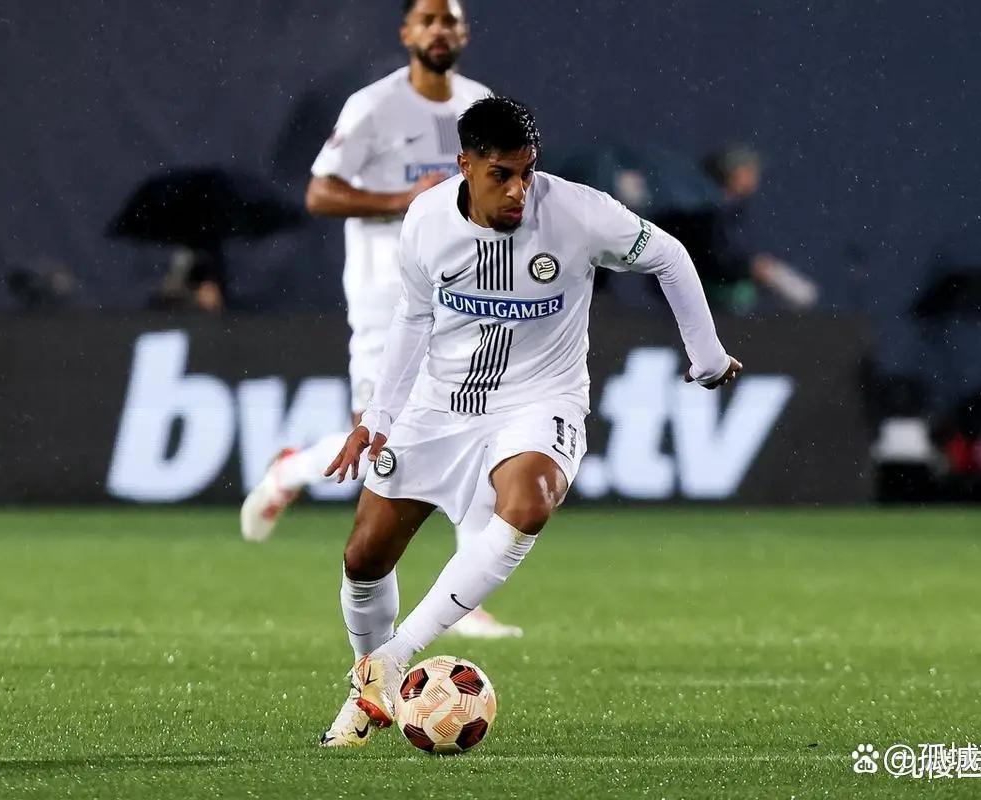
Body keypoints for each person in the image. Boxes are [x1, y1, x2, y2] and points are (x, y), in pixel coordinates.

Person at [317, 96, 742, 746]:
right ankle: (365, 688)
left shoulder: (578, 212)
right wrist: (378, 416)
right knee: (364, 557)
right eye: (502, 175)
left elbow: (669, 255)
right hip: (440, 403)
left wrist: (706, 356)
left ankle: (396, 656)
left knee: (530, 500)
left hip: (541, 401)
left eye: (527, 172)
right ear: (465, 165)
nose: (519, 190)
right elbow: (413, 316)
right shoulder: (426, 219)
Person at [240, 1, 520, 638]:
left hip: (466, 296)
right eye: (429, 19)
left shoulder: (482, 106)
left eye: (450, 20)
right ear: (407, 33)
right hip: (385, 300)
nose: (440, 30)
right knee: (380, 447)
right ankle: (291, 468)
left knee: (482, 430)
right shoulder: (373, 107)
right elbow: (320, 192)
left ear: (464, 32)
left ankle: (466, 599)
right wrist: (404, 199)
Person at [653, 145, 818, 313]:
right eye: (748, 169)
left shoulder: (730, 208)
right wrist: (752, 268)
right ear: (733, 173)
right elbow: (715, 257)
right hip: (698, 296)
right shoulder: (707, 210)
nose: (754, 175)